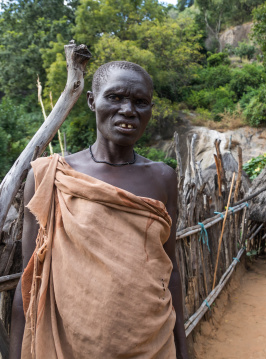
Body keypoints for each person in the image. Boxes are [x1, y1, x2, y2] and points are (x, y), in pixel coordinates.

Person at [10, 61, 188, 359]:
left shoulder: (162, 178)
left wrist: (183, 351)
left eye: (140, 102)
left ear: (150, 110)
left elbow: (170, 273)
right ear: (92, 101)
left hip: (150, 343)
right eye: (115, 97)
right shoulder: (51, 176)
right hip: (68, 346)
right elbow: (29, 281)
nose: (128, 110)